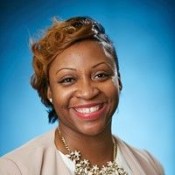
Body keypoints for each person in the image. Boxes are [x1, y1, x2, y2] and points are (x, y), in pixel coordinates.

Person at [0, 16, 164, 175]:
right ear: (49, 90)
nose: (87, 92)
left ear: (118, 81)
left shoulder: (150, 165)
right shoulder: (14, 169)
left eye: (100, 75)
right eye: (68, 79)